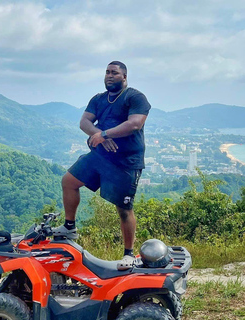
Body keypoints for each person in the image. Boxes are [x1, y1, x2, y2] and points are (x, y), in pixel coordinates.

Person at [53, 61, 151, 270]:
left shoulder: (135, 97)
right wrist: (99, 136)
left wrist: (104, 134)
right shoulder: (98, 99)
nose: (109, 76)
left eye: (114, 73)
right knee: (68, 181)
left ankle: (128, 254)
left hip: (126, 162)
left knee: (124, 208)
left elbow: (135, 123)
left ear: (124, 77)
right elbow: (84, 122)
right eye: (107, 72)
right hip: (100, 157)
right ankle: (69, 226)